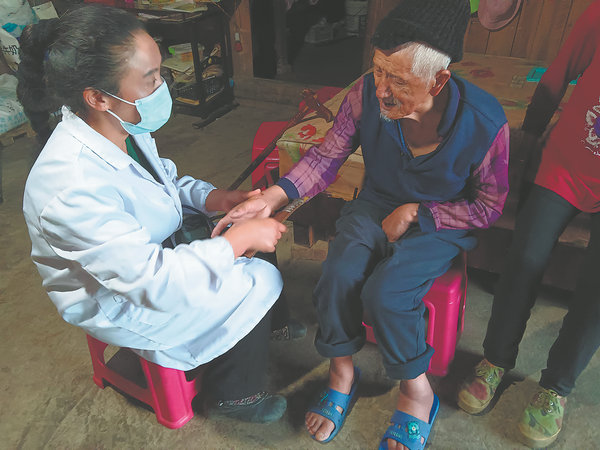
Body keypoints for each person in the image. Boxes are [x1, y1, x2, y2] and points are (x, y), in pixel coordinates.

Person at [213, 0, 509, 446]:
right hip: (375, 203)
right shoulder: (365, 93)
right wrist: (272, 198)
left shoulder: (484, 123)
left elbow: (488, 206)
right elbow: (327, 156)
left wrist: (418, 212)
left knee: (389, 294)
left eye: (399, 80)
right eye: (378, 71)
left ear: (438, 80)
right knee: (337, 274)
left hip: (441, 218)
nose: (382, 90)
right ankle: (341, 373)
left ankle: (416, 391)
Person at [19, 5, 289, 423]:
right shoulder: (69, 186)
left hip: (148, 249)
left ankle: (268, 323)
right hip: (119, 296)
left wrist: (217, 198)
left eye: (160, 72)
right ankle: (235, 394)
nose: (162, 86)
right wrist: (237, 243)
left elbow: (164, 181)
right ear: (97, 97)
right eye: (151, 79)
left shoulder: (122, 127)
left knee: (247, 223)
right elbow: (151, 282)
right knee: (256, 277)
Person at [457, 1, 600, 447]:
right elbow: (557, 76)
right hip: (566, 163)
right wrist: (529, 137)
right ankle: (496, 359)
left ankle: (556, 387)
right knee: (525, 258)